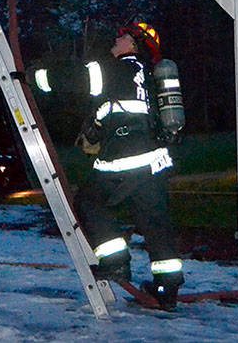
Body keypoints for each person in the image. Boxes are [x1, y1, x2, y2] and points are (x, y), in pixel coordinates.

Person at [35, 22, 186, 310]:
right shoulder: (152, 76)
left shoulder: (113, 69)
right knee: (155, 224)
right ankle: (167, 289)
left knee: (89, 202)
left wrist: (34, 78)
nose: (116, 40)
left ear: (133, 45)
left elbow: (72, 80)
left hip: (124, 158)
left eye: (123, 37)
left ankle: (116, 261)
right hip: (155, 162)